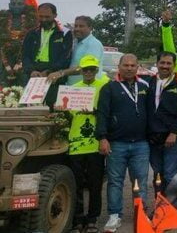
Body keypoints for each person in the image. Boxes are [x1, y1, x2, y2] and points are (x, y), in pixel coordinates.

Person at [95, 54, 149, 233]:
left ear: (138, 67)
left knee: (140, 181)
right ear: (119, 66)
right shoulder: (109, 88)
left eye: (133, 65)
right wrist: (102, 137)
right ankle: (114, 215)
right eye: (126, 65)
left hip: (141, 143)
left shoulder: (145, 86)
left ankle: (140, 213)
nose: (129, 68)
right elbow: (102, 114)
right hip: (116, 143)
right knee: (115, 181)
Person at [68, 55, 109, 233]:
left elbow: (108, 110)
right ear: (81, 70)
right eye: (85, 69)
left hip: (96, 142)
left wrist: (94, 111)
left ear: (96, 70)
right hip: (76, 142)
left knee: (95, 184)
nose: (89, 72)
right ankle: (77, 220)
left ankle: (92, 219)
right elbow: (66, 112)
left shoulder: (104, 86)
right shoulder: (73, 89)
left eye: (92, 69)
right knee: (76, 184)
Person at [144, 51, 177, 207]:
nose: (165, 66)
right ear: (157, 64)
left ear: (174, 65)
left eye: (169, 63)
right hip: (152, 136)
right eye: (162, 63)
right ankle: (159, 207)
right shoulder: (148, 82)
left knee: (171, 174)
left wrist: (174, 132)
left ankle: (171, 210)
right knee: (158, 174)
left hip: (172, 137)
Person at [22, 3, 73, 106]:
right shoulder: (31, 33)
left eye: (47, 17)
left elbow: (65, 57)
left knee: (52, 108)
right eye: (41, 16)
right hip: (34, 74)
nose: (44, 19)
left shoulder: (64, 33)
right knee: (31, 107)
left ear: (55, 15)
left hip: (54, 75)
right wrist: (31, 70)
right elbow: (25, 55)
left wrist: (50, 71)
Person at [47, 15, 104, 85]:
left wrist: (60, 73)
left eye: (81, 26)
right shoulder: (75, 42)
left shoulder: (93, 44)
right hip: (73, 87)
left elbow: (87, 67)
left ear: (90, 28)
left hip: (87, 88)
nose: (77, 29)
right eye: (76, 26)